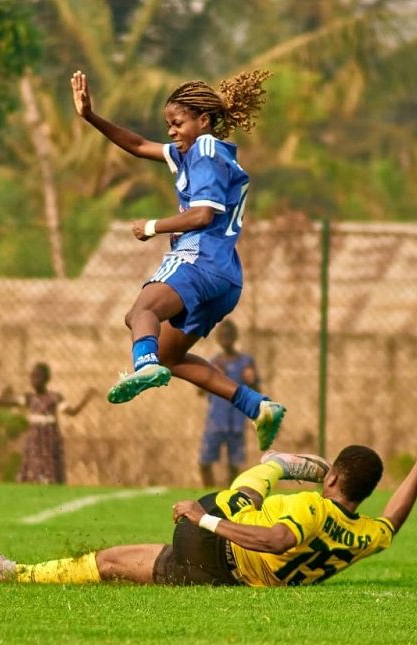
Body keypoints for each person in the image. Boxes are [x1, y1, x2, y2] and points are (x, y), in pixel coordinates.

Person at [0, 412, 417, 587]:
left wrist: (204, 520)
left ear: (335, 477)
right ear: (363, 492)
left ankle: (279, 463)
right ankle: (13, 574)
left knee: (243, 493)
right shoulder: (363, 535)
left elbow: (279, 540)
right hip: (219, 577)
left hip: (216, 542)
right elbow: (393, 521)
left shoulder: (312, 507)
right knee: (114, 562)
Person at [70, 69, 285, 451]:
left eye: (177, 123)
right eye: (168, 124)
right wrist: (91, 116)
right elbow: (137, 145)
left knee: (140, 314)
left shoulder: (203, 149)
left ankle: (144, 366)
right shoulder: (194, 153)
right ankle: (258, 406)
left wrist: (152, 226)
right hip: (226, 277)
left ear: (203, 121)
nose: (171, 131)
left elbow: (202, 215)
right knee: (170, 354)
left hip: (198, 258)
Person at [0, 362, 96, 485]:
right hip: (34, 438)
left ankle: (49, 483)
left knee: (48, 462)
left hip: (49, 438)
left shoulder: (54, 397)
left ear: (46, 379)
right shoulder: (29, 397)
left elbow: (72, 412)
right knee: (33, 462)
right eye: (32, 377)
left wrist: (86, 398)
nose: (34, 380)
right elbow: (8, 402)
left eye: (38, 377)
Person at [198, 320, 258, 487]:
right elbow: (200, 391)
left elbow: (256, 388)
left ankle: (229, 492)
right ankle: (207, 491)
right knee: (205, 460)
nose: (226, 339)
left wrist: (251, 380)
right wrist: (210, 377)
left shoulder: (246, 362)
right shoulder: (214, 362)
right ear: (218, 338)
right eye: (223, 336)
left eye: (229, 336)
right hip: (216, 419)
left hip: (236, 420)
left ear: (235, 337)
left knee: (234, 463)